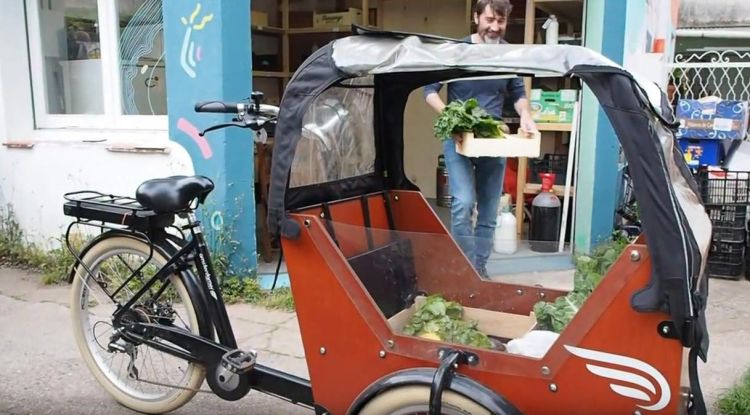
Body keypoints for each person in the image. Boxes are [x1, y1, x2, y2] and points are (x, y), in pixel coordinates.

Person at [424, 0, 537, 278]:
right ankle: (463, 266)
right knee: (462, 203)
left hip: (493, 139)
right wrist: (454, 118)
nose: (495, 27)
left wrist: (525, 114)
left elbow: (518, 94)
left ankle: (478, 268)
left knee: (488, 212)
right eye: (489, 20)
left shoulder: (507, 56)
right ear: (476, 17)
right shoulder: (458, 51)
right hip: (460, 139)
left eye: (501, 22)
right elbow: (429, 92)